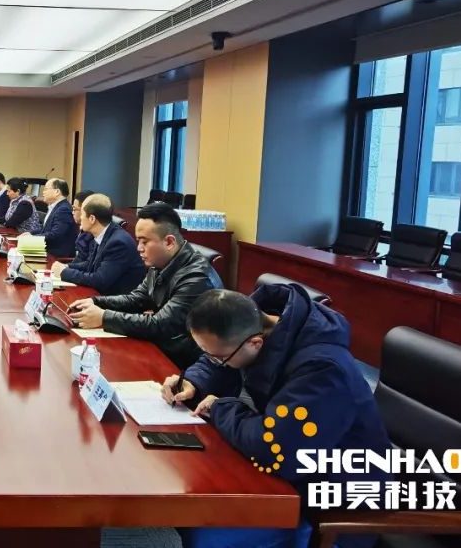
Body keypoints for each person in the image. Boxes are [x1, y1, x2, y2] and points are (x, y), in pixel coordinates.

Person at [163, 287, 390, 548]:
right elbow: (218, 358)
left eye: (220, 357)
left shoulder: (323, 370)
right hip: (291, 482)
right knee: (192, 506)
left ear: (255, 343)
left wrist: (220, 409)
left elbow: (276, 448)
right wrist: (193, 381)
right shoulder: (252, 323)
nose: (216, 361)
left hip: (335, 507)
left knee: (204, 536)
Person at [69, 203, 219, 369]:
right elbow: (137, 299)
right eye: (138, 241)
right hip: (162, 349)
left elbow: (160, 325)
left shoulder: (196, 278)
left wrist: (104, 317)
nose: (139, 248)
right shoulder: (161, 262)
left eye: (144, 242)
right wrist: (95, 302)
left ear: (169, 242)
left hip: (184, 365)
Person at [51, 194, 144, 295]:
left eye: (82, 214)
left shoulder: (118, 243)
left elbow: (100, 280)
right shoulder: (102, 234)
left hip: (115, 299)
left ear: (92, 219)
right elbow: (89, 264)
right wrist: (66, 266)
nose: (80, 218)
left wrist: (64, 272)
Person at [28, 178, 78, 257]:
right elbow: (45, 228)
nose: (43, 192)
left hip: (56, 256)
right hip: (48, 250)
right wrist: (30, 233)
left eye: (46, 189)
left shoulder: (63, 209)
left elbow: (55, 234)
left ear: (57, 192)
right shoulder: (55, 207)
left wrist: (32, 238)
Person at [71, 190, 95, 264]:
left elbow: (87, 264)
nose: (72, 212)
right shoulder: (83, 229)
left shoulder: (92, 233)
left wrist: (66, 268)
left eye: (74, 209)